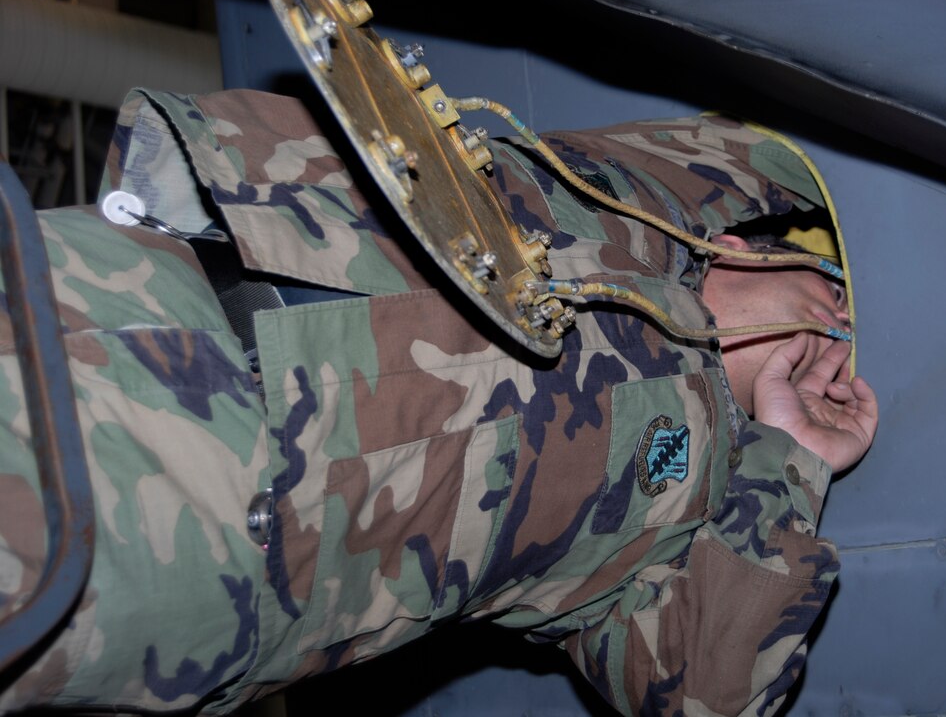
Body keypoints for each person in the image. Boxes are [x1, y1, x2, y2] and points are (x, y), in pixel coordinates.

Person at [0, 87, 876, 716]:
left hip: (178, 546)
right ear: (732, 245)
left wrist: (787, 457)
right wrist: (720, 287)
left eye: (834, 357)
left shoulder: (691, 506)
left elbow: (703, 690)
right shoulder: (617, 219)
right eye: (830, 300)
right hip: (106, 289)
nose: (831, 346)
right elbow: (746, 154)